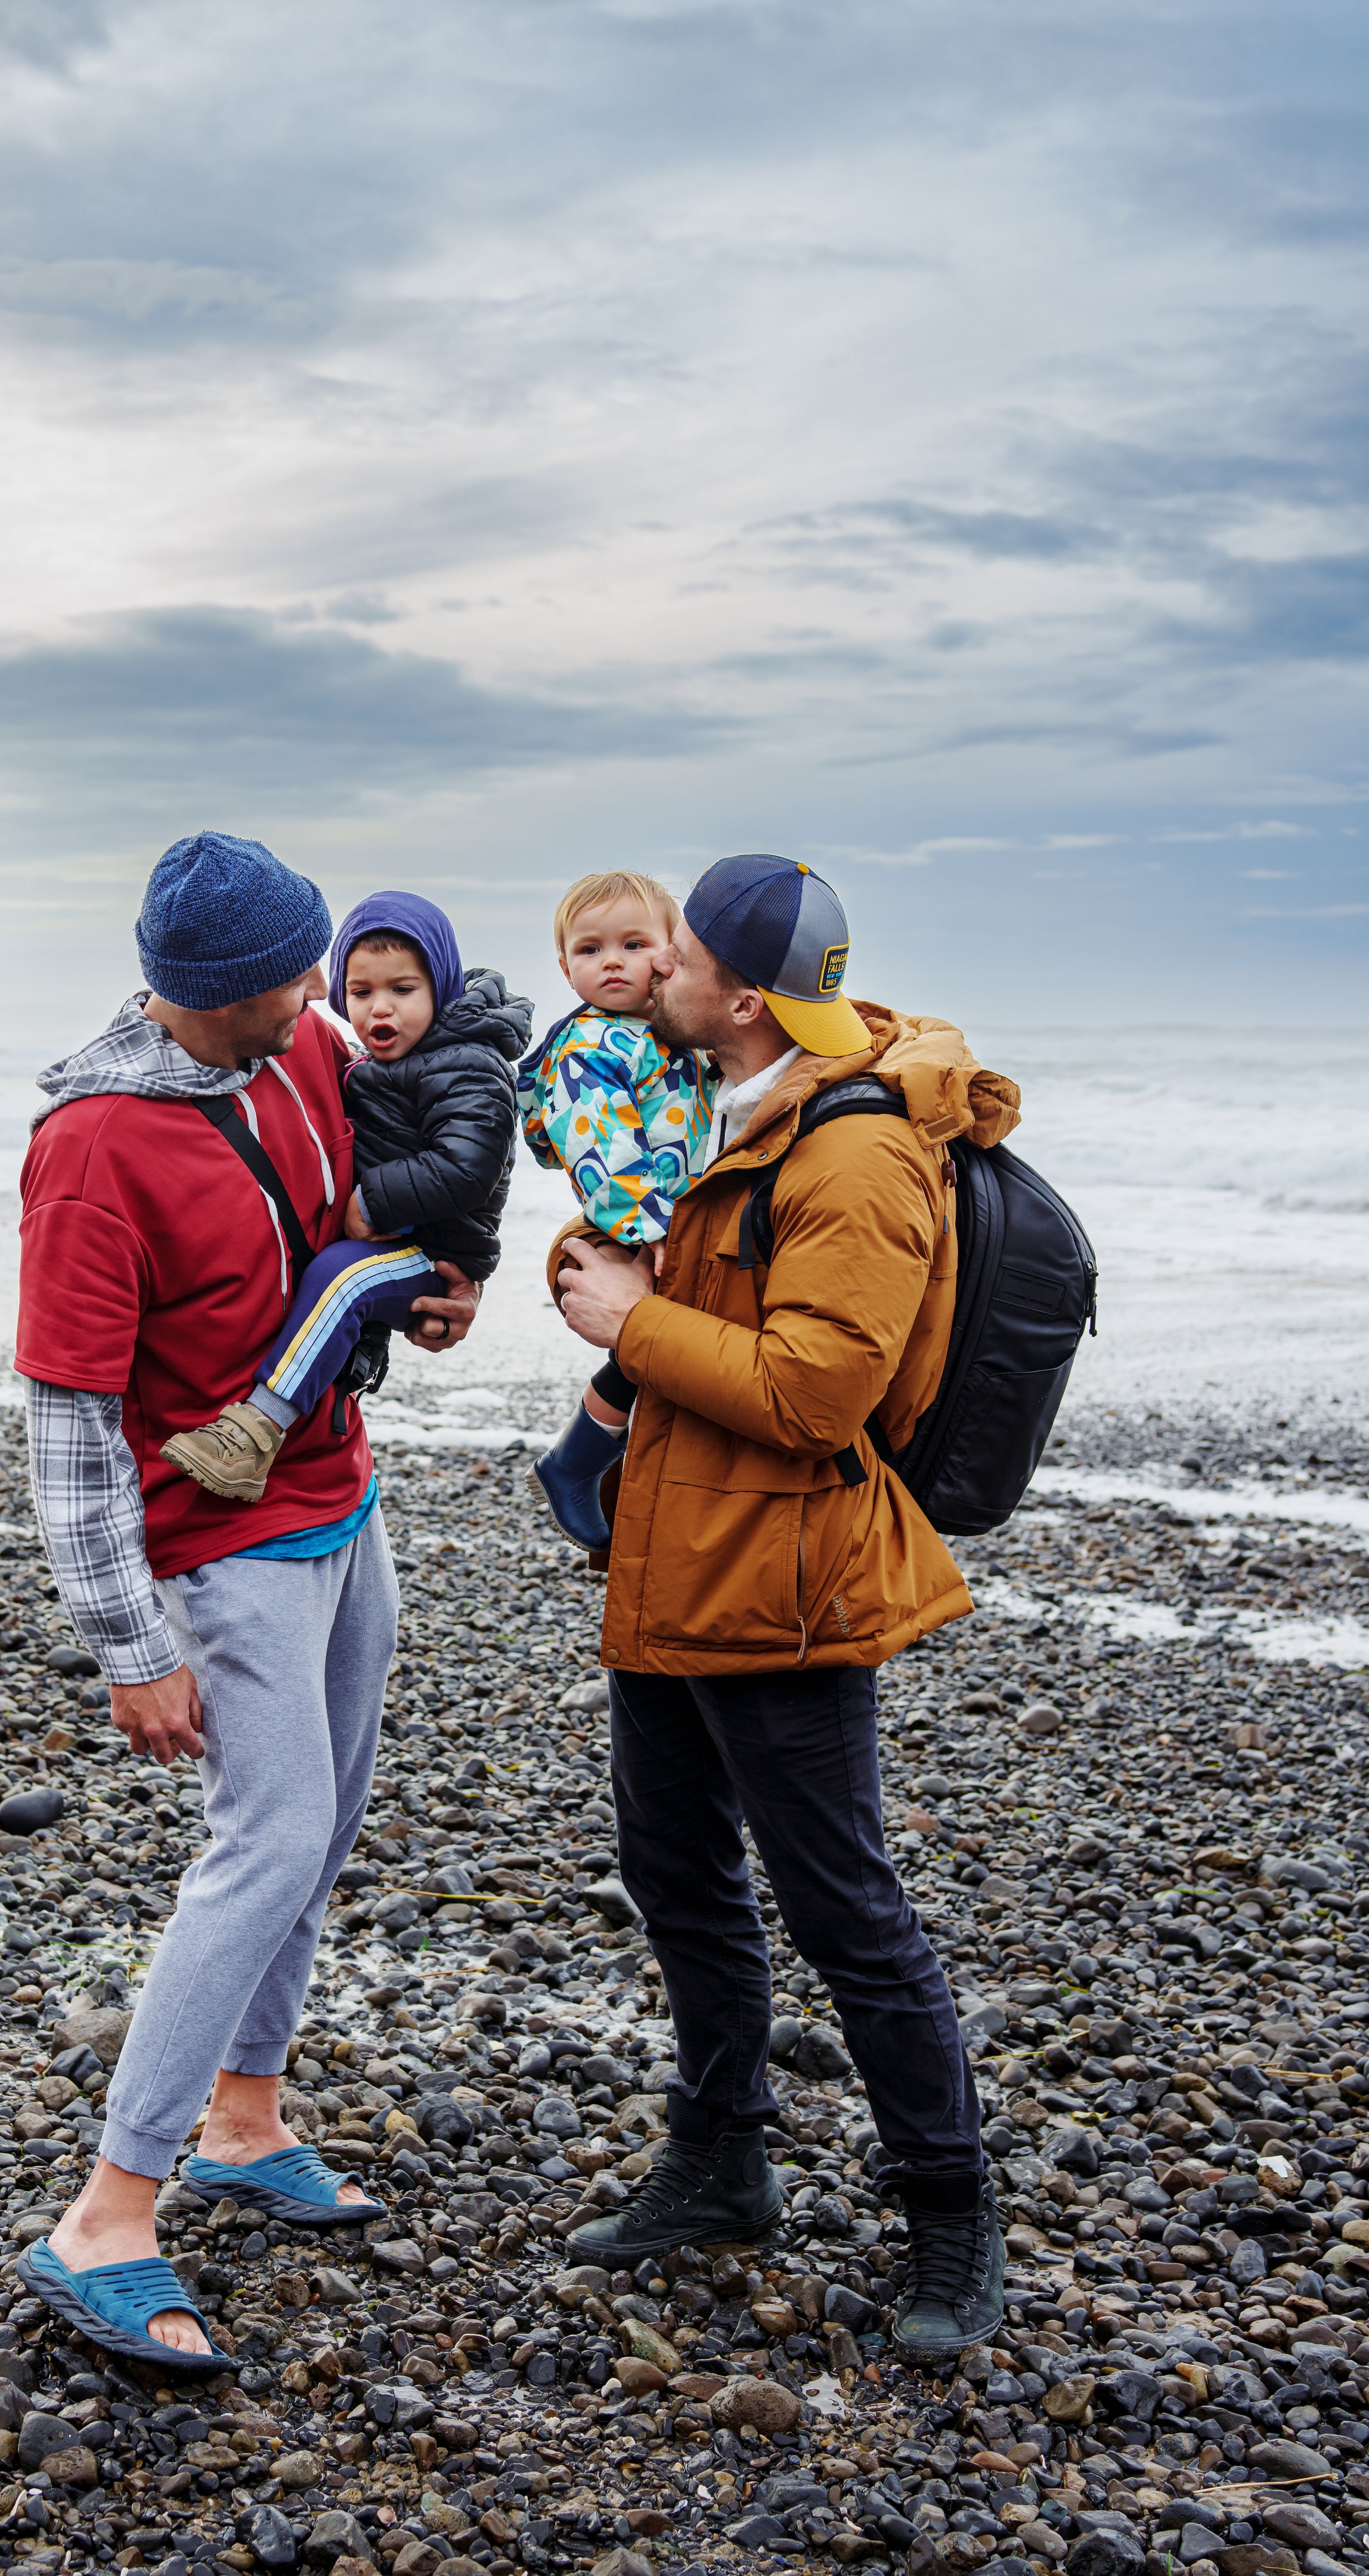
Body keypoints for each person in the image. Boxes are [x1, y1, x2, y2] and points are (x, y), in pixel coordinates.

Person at [13, 832, 479, 2370]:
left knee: (328, 1815)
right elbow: (68, 1419)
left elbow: (358, 1215)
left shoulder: (304, 1050)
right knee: (264, 1835)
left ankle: (244, 2116)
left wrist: (441, 1283)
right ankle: (107, 2213)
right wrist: (128, 1643)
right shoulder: (91, 1154)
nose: (324, 994)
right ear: (212, 993)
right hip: (216, 1540)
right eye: (297, 975)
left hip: (341, 1492)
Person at [552, 852, 1022, 2361]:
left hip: (786, 1580)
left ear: (742, 997)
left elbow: (820, 1397)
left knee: (842, 1905)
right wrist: (608, 1295)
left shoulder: (859, 1159)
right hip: (672, 1558)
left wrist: (637, 1319)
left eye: (675, 950)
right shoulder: (715, 1113)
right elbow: (702, 1324)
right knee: (673, 1871)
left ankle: (950, 2209)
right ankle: (720, 2161)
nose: (650, 970)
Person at [162, 891, 529, 1501]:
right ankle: (345, 1366)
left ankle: (257, 1429)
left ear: (440, 987)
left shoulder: (467, 1062)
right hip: (405, 1242)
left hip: (435, 1249)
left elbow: (469, 1166)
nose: (380, 1009)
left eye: (403, 991)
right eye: (361, 994)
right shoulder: (374, 1060)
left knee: (346, 1276)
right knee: (344, 1276)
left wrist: (371, 1204)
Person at [516, 871, 714, 1549]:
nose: (612, 962)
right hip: (637, 1216)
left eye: (633, 944)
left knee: (660, 1356)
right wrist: (654, 1232)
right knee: (651, 1347)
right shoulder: (590, 1048)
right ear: (566, 968)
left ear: (669, 954)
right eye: (591, 949)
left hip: (677, 1209)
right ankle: (577, 1460)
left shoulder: (662, 1029)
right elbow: (604, 1158)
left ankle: (590, 1461)